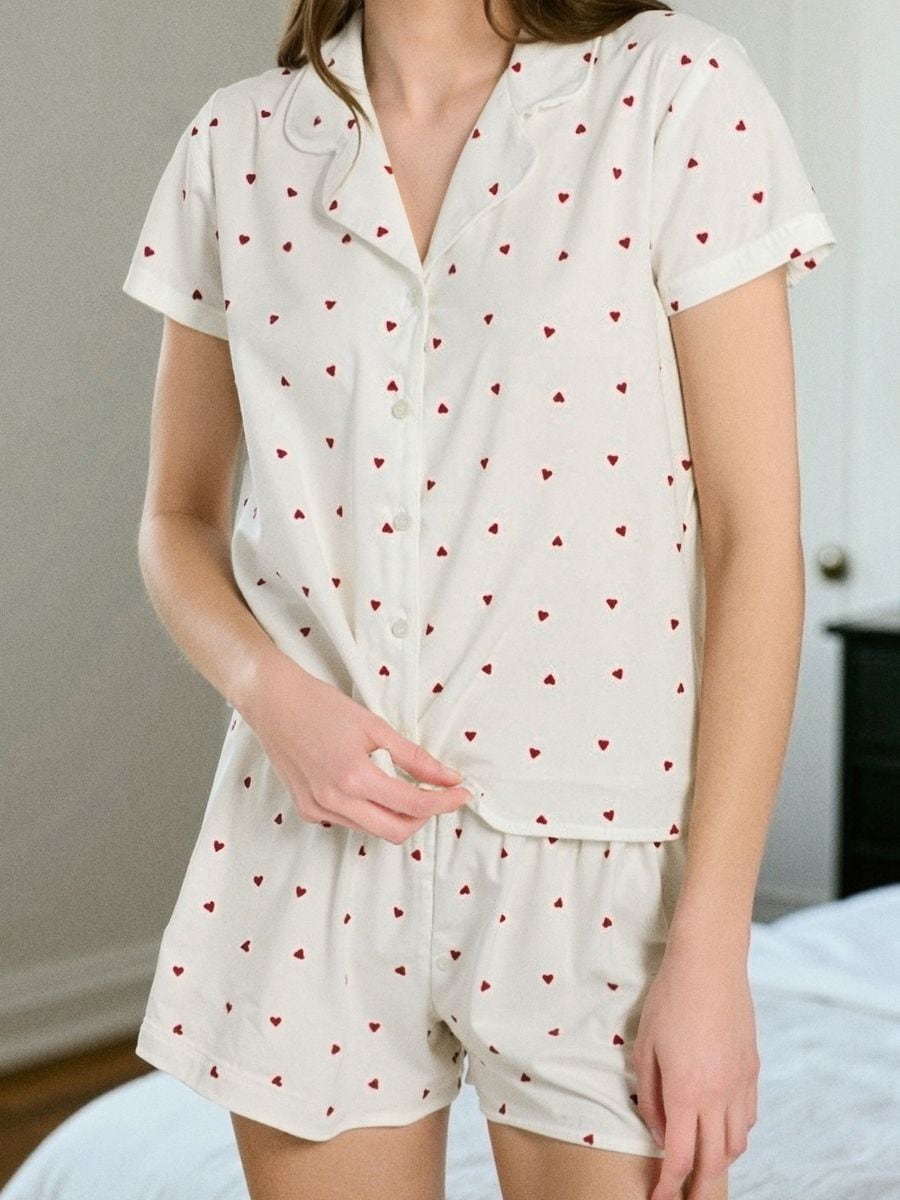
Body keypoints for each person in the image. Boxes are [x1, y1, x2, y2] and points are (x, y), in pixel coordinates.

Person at [120, 0, 837, 1197]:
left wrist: (712, 951)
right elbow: (174, 520)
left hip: (596, 869)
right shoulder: (236, 146)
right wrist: (270, 694)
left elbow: (755, 540)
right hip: (309, 852)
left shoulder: (673, 92)